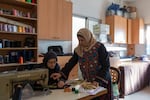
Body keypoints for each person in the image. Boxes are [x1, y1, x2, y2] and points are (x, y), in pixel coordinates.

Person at [51, 28, 112, 100]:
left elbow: (106, 66)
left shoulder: (99, 47)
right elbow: (71, 63)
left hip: (102, 81)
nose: (80, 42)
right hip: (89, 83)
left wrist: (97, 81)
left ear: (88, 38)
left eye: (82, 40)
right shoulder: (79, 50)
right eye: (79, 40)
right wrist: (61, 73)